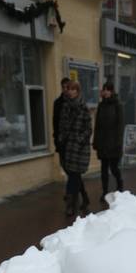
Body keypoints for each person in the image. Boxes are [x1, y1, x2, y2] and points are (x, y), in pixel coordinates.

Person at [58, 80, 91, 217]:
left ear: (78, 91)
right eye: (69, 89)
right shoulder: (65, 106)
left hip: (79, 148)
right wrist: (62, 139)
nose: (71, 92)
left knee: (74, 175)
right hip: (68, 147)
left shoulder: (83, 107)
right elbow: (61, 125)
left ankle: (70, 204)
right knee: (74, 175)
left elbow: (88, 129)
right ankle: (85, 198)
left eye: (73, 89)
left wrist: (79, 139)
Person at [93, 81, 124, 204]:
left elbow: (120, 126)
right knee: (104, 169)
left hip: (114, 143)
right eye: (104, 89)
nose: (105, 92)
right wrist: (95, 141)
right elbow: (97, 126)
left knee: (114, 167)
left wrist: (118, 142)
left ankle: (120, 184)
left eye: (107, 90)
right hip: (102, 142)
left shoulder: (117, 105)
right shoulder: (101, 105)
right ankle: (105, 192)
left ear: (111, 91)